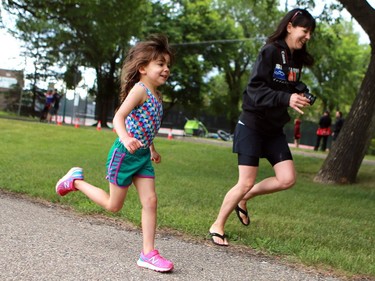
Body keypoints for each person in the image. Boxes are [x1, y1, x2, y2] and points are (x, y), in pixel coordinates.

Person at [55, 34, 174, 272]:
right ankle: (75, 182)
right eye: (160, 64)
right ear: (142, 68)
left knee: (150, 201)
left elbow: (144, 125)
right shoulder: (139, 90)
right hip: (124, 154)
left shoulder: (158, 97)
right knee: (113, 205)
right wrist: (125, 138)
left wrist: (151, 148)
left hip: (141, 157)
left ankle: (148, 253)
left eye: (167, 65)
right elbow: (119, 117)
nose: (166, 69)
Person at [209, 8, 315, 246]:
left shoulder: (296, 58)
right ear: (290, 26)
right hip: (252, 126)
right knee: (245, 180)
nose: (308, 37)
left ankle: (244, 199)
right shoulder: (270, 52)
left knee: (287, 179)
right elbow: (255, 90)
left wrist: (301, 92)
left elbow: (289, 84)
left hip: (274, 129)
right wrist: (286, 99)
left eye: (310, 33)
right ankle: (217, 224)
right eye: (305, 31)